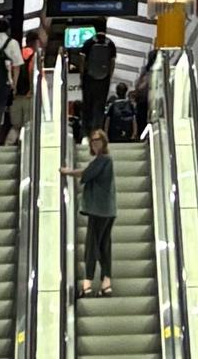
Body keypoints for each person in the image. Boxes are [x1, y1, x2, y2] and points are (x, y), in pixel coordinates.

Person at [75, 125, 119, 296]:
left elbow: (86, 174)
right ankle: (106, 283)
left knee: (92, 245)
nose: (94, 144)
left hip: (99, 210)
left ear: (104, 142)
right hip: (107, 210)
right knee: (104, 245)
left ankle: (87, 283)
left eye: (97, 140)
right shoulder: (105, 160)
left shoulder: (104, 159)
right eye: (92, 141)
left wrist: (66, 172)